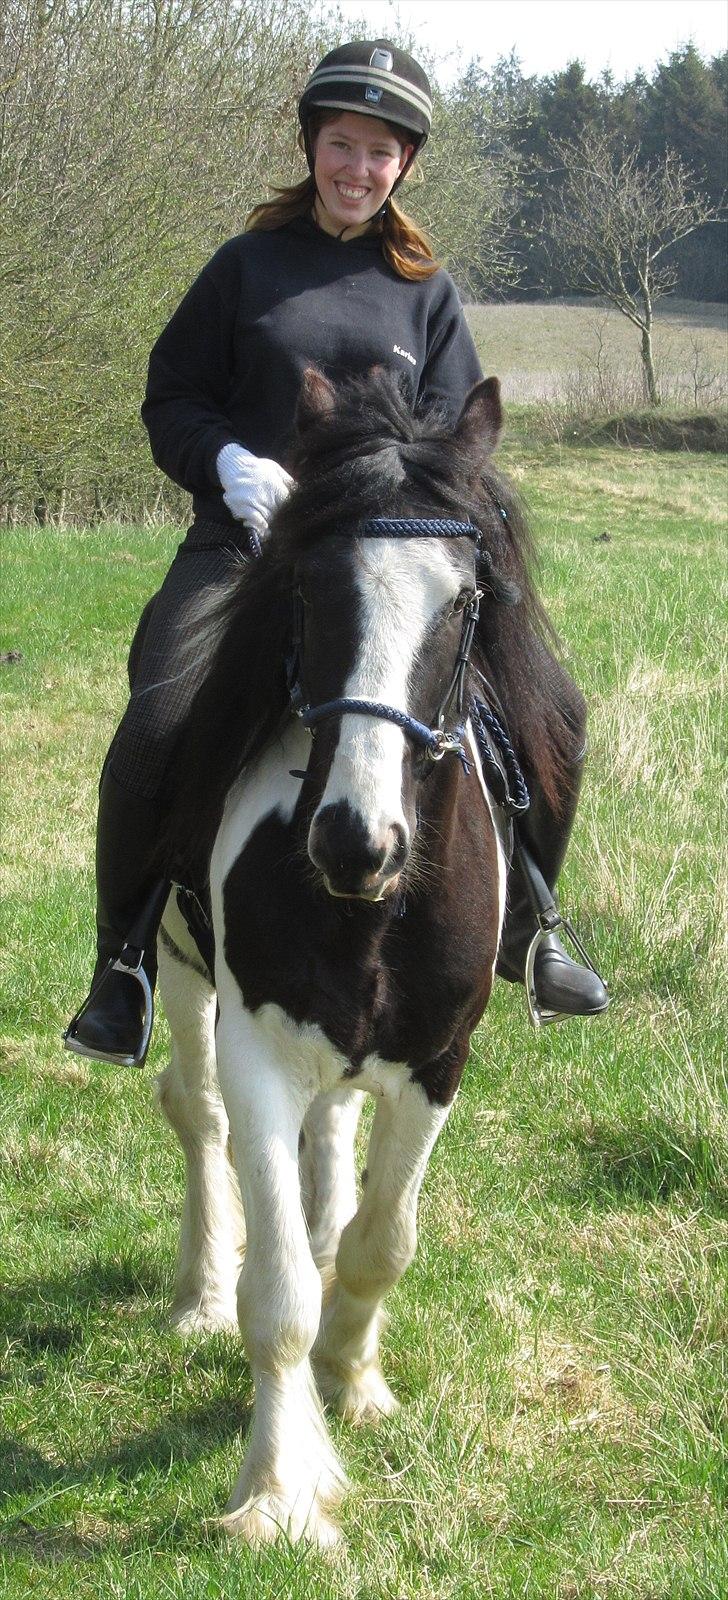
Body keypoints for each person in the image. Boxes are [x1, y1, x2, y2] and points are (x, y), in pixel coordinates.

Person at [64, 39, 608, 1069]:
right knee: (158, 721)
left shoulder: (427, 295)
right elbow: (169, 397)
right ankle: (125, 965)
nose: (357, 168)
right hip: (246, 552)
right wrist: (226, 460)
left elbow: (458, 445)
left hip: (396, 572)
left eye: (379, 152)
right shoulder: (243, 269)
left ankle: (531, 928)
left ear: (403, 166)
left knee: (558, 713)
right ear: (311, 145)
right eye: (340, 145)